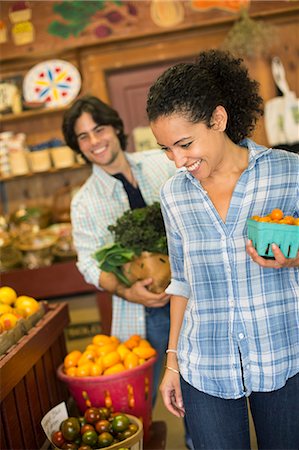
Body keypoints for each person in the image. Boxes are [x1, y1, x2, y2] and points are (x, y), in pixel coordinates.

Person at [146, 49, 299, 449]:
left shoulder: (288, 172)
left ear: (218, 119)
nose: (177, 160)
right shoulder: (174, 195)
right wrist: (172, 364)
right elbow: (181, 283)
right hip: (206, 364)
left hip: (285, 353)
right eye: (166, 149)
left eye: (184, 143)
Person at [62, 95, 175, 406]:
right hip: (142, 312)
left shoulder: (160, 163)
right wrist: (129, 293)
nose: (94, 141)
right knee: (138, 402)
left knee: (196, 392)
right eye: (83, 136)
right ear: (78, 145)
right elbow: (88, 265)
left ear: (115, 128)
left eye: (99, 130)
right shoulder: (84, 202)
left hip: (190, 297)